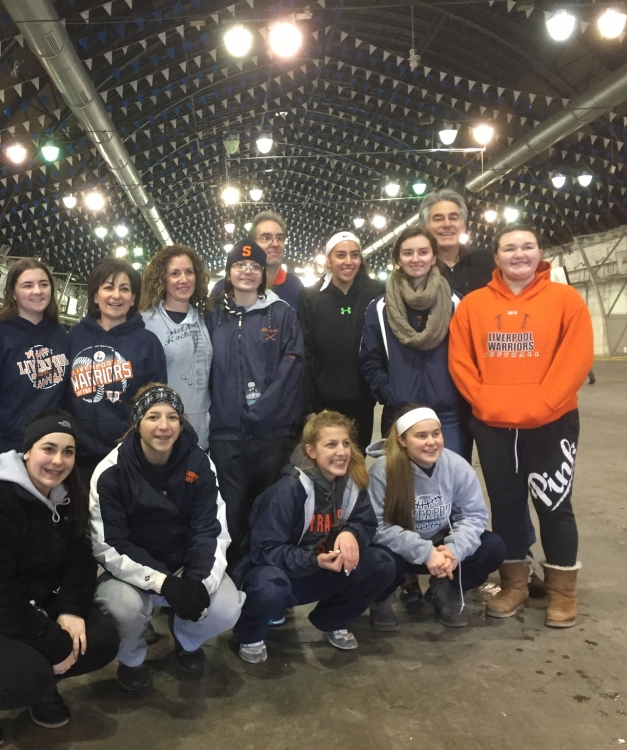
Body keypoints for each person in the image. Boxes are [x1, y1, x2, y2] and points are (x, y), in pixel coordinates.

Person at [0, 411, 120, 750]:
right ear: (28, 451)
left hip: (28, 607)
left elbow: (80, 560)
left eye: (68, 451)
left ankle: (42, 680)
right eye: (49, 449)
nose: (58, 461)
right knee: (28, 675)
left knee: (101, 639)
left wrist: (71, 611)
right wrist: (52, 640)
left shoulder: (64, 495)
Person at [449, 224, 593, 628]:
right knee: (507, 506)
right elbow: (461, 360)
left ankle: (563, 591)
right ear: (495, 258)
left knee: (555, 506)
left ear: (539, 253)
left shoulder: (565, 300)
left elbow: (577, 356)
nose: (518, 254)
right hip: (493, 424)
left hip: (552, 422)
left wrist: (545, 402)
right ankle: (515, 585)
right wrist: (483, 400)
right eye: (509, 248)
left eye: (527, 246)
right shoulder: (474, 305)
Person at [90, 384, 243, 691]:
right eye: (153, 416)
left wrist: (197, 584)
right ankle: (131, 659)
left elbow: (210, 531)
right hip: (131, 574)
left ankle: (186, 639)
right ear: (137, 423)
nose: (164, 426)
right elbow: (109, 544)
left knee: (227, 608)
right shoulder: (110, 471)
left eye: (172, 417)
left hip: (185, 566)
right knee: (119, 610)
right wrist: (164, 583)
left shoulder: (199, 463)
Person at [232, 411, 397, 662]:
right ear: (311, 451)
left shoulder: (353, 483)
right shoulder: (289, 489)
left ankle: (332, 619)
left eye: (345, 443)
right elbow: (264, 549)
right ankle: (249, 634)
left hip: (324, 568)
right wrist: (314, 561)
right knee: (268, 587)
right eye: (330, 445)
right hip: (285, 574)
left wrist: (351, 533)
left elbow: (366, 523)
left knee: (382, 563)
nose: (341, 452)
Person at [207, 238, 304, 567]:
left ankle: (268, 579)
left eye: (254, 267)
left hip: (270, 432)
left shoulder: (281, 314)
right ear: (229, 271)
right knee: (230, 511)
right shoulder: (213, 316)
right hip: (224, 432)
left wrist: (263, 410)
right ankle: (234, 576)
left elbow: (292, 366)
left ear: (264, 273)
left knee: (268, 508)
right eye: (239, 265)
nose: (246, 272)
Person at [365, 406, 507, 630]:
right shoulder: (383, 471)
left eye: (436, 433)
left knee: (493, 546)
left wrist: (453, 550)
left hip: (441, 548)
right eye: (421, 436)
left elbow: (474, 516)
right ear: (402, 440)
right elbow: (377, 526)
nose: (431, 441)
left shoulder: (456, 466)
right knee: (376, 560)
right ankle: (380, 602)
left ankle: (446, 592)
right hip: (400, 550)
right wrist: (425, 552)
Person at [0, 259, 70, 490]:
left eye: (43, 284)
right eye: (27, 285)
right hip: (9, 454)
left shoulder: (60, 335)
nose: (37, 291)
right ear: (12, 292)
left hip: (51, 454)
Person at [360, 227, 464, 455]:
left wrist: (456, 392)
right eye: (408, 253)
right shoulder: (380, 307)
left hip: (447, 415)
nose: (416, 259)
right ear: (398, 258)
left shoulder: (456, 303)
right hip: (399, 412)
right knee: (400, 486)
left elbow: (469, 355)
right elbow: (370, 359)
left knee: (450, 485)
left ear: (434, 257)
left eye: (423, 252)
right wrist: (390, 392)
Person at [67, 258, 167, 485]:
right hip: (79, 456)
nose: (116, 295)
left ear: (133, 298)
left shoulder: (147, 342)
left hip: (127, 455)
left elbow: (155, 403)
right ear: (95, 295)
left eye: (124, 289)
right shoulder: (75, 336)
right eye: (108, 287)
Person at [298, 231, 384, 451]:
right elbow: (305, 353)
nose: (348, 262)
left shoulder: (376, 293)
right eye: (341, 255)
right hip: (323, 404)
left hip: (362, 401)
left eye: (354, 255)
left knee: (356, 464)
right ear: (328, 260)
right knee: (328, 464)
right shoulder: (311, 297)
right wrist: (306, 406)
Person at [140, 245, 214, 449]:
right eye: (175, 273)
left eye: (189, 272)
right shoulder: (146, 322)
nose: (184, 279)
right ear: (163, 279)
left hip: (200, 433)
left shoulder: (204, 320)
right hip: (162, 434)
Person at [211, 210, 305, 308]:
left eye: (280, 238)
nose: (275, 244)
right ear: (252, 244)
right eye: (266, 238)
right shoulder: (222, 289)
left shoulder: (296, 287)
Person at [421, 188, 496, 297]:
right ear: (425, 227)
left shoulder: (487, 261)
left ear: (464, 226)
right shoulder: (419, 267)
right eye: (438, 219)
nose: (447, 224)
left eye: (453, 218)